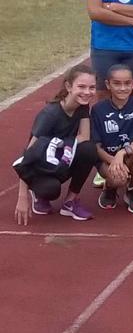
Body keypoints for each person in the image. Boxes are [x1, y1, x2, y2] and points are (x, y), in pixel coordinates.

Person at [12, 65, 99, 225]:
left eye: (92, 87)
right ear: (68, 86)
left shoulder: (83, 105)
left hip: (60, 159)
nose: (87, 92)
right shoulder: (50, 114)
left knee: (88, 149)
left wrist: (62, 146)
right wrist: (22, 198)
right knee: (51, 190)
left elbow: (84, 136)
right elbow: (28, 156)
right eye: (81, 87)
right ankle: (38, 193)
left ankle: (70, 202)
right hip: (41, 164)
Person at [91, 65, 133, 214]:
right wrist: (113, 160)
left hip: (129, 156)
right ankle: (109, 188)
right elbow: (96, 146)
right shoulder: (98, 109)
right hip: (107, 159)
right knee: (119, 179)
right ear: (108, 85)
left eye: (127, 83)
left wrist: (122, 153)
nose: (122, 88)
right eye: (117, 83)